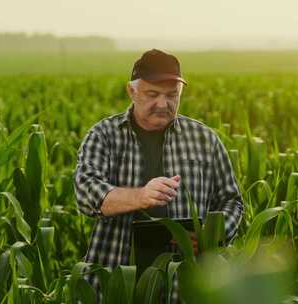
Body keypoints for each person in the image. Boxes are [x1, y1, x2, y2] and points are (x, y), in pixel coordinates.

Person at [73, 49, 244, 302]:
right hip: (117, 282)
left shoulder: (204, 139)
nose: (163, 104)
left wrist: (210, 234)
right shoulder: (104, 135)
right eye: (152, 94)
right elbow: (87, 193)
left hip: (186, 285)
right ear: (132, 92)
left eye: (171, 95)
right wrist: (140, 196)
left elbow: (232, 201)